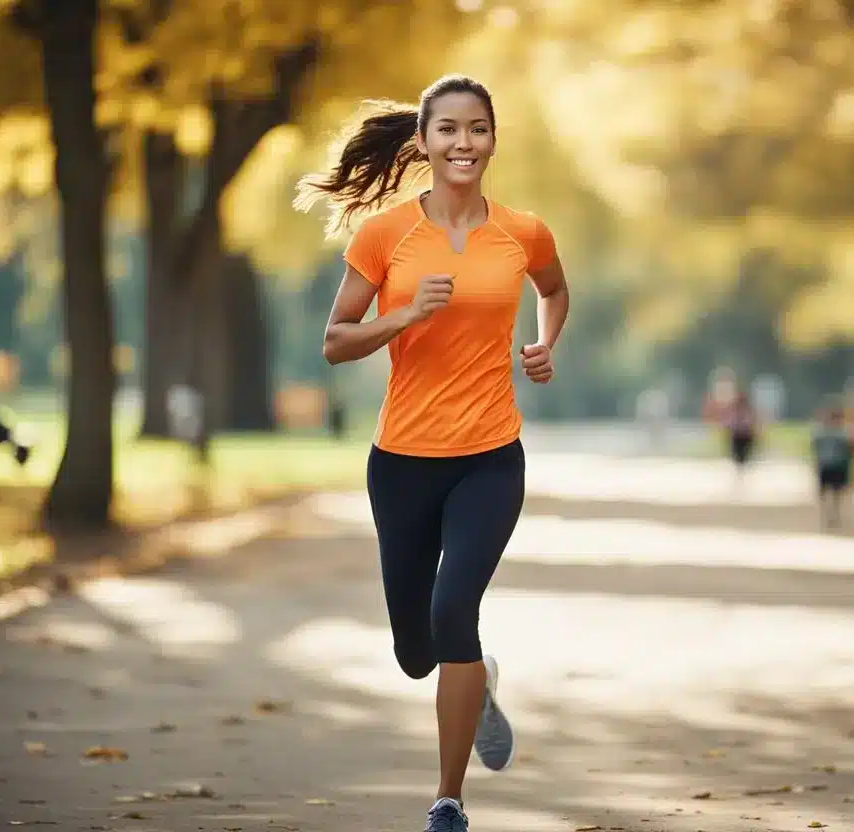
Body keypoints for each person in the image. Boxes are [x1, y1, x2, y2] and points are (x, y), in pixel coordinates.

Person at [293, 74, 570, 832]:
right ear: (423, 142)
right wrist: (406, 314)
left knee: (455, 612)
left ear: (493, 139)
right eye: (448, 129)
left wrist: (544, 343)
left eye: (477, 128)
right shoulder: (384, 236)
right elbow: (335, 342)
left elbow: (553, 290)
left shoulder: (523, 232)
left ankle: (448, 802)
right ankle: (477, 686)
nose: (463, 142)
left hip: (490, 457)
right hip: (402, 463)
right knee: (417, 652)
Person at [812, 403, 854, 528]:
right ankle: (830, 513)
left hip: (833, 465)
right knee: (831, 491)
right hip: (832, 465)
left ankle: (831, 513)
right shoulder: (843, 432)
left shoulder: (822, 432)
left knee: (832, 491)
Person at [725, 389, 758, 475]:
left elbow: (753, 423)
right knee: (738, 457)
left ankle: (742, 469)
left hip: (745, 436)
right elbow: (729, 423)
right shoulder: (734, 409)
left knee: (744, 457)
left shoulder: (748, 409)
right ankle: (740, 469)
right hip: (737, 436)